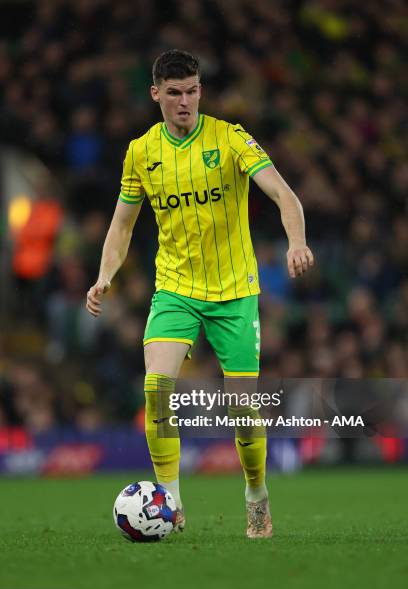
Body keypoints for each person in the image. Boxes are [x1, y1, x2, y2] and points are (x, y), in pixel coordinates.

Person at [86, 49, 314, 538]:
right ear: (156, 95)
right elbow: (122, 224)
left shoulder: (230, 139)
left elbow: (284, 194)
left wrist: (296, 241)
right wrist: (105, 275)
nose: (185, 102)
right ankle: (169, 502)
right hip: (175, 290)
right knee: (155, 391)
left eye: (192, 91)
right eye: (174, 93)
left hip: (235, 292)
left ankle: (256, 496)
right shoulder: (141, 152)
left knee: (242, 411)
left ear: (200, 91)